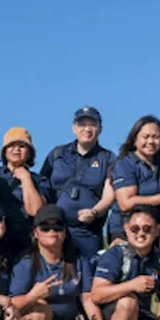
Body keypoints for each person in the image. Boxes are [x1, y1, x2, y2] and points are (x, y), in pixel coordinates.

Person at [11, 205, 106, 320]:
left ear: (65, 232)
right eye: (45, 228)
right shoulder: (26, 263)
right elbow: (12, 303)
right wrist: (32, 296)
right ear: (35, 233)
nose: (52, 232)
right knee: (40, 308)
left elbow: (87, 298)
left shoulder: (78, 260)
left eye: (58, 227)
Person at [40, 107, 116, 260]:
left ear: (100, 129)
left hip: (87, 232)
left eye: (92, 125)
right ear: (74, 128)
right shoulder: (57, 154)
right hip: (55, 229)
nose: (87, 129)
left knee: (87, 278)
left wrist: (94, 212)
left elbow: (110, 195)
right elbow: (42, 187)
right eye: (82, 124)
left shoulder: (108, 158)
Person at [108, 116, 160, 244]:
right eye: (146, 137)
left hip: (154, 230)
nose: (151, 141)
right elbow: (126, 203)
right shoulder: (125, 164)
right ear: (135, 140)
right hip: (127, 231)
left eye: (155, 137)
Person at [0, 127, 49, 257]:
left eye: (22, 146)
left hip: (27, 243)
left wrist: (26, 179)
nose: (16, 149)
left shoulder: (39, 180)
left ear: (29, 152)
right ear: (4, 151)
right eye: (11, 145)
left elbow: (35, 210)